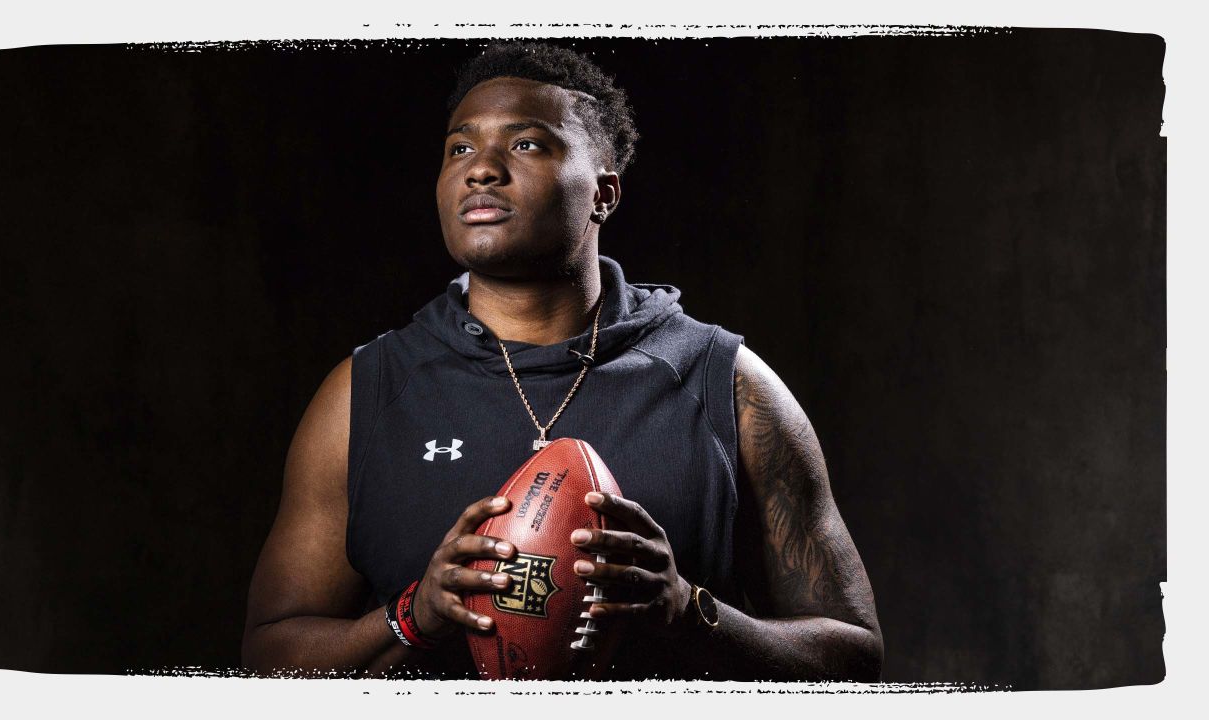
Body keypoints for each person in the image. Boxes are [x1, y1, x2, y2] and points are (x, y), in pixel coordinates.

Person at [242, 42, 881, 681]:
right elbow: (268, 655)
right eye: (460, 148)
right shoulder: (365, 391)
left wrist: (688, 610)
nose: (482, 169)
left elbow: (855, 654)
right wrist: (412, 616)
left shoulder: (728, 385)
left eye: (526, 144)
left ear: (604, 193)